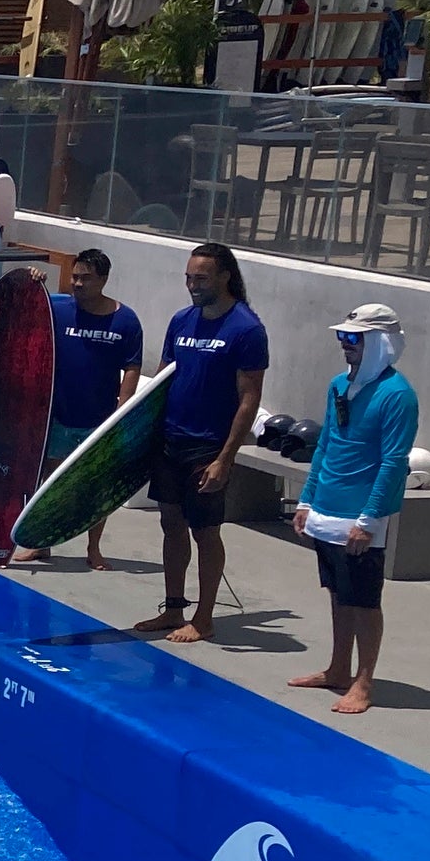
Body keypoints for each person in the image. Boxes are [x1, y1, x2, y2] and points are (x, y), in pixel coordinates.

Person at [133, 243, 268, 645]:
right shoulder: (181, 321)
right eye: (189, 278)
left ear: (225, 276)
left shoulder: (246, 329)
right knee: (170, 524)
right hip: (170, 441)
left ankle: (204, 617)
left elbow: (249, 398)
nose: (193, 285)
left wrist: (226, 458)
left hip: (208, 448)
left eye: (201, 278)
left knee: (205, 531)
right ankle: (173, 607)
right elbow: (162, 382)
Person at [290, 304, 419, 716]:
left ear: (378, 344)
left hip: (361, 518)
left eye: (354, 339)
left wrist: (369, 519)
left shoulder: (397, 396)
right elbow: (326, 444)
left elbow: (393, 462)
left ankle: (364, 681)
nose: (346, 346)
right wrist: (307, 499)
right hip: (326, 509)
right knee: (338, 594)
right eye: (342, 338)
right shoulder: (337, 385)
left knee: (364, 600)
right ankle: (337, 668)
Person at [23, 248, 144, 570]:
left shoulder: (126, 320)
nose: (77, 283)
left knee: (97, 488)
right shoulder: (58, 308)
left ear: (103, 280)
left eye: (86, 278)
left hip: (99, 419)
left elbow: (132, 367)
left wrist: (123, 411)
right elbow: (23, 314)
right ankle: (42, 543)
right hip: (58, 415)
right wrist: (33, 283)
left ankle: (93, 548)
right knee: (48, 482)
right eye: (75, 277)